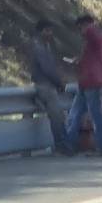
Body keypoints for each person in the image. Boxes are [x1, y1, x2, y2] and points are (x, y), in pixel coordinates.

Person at [63, 13, 102, 156]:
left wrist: (88, 27)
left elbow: (90, 32)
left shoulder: (93, 33)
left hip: (92, 81)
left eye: (80, 27)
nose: (80, 32)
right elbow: (90, 57)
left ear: (85, 25)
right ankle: (70, 145)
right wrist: (78, 60)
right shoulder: (92, 41)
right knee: (74, 114)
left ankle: (101, 147)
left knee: (95, 115)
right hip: (85, 81)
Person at [28, 19, 69, 154]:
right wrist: (59, 82)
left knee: (57, 115)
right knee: (57, 116)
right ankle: (61, 145)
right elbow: (47, 69)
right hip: (45, 85)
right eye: (47, 31)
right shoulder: (39, 47)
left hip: (46, 85)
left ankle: (62, 144)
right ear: (41, 31)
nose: (50, 34)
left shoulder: (43, 46)